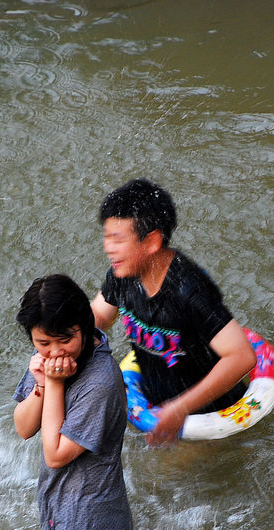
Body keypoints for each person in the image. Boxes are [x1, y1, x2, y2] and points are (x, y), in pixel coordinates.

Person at [90, 178, 257, 447]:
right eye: (106, 236)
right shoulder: (123, 275)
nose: (107, 247)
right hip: (154, 401)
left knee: (160, 480)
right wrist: (58, 336)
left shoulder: (188, 290)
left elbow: (241, 356)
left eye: (117, 238)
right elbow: (98, 318)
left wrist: (179, 409)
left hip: (207, 416)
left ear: (152, 241)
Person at [12, 274, 132, 530]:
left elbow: (55, 456)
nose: (55, 352)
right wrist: (41, 385)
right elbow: (24, 428)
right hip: (61, 511)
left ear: (85, 326)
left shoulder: (100, 383)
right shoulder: (51, 357)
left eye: (65, 340)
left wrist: (53, 384)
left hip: (88, 529)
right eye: (42, 342)